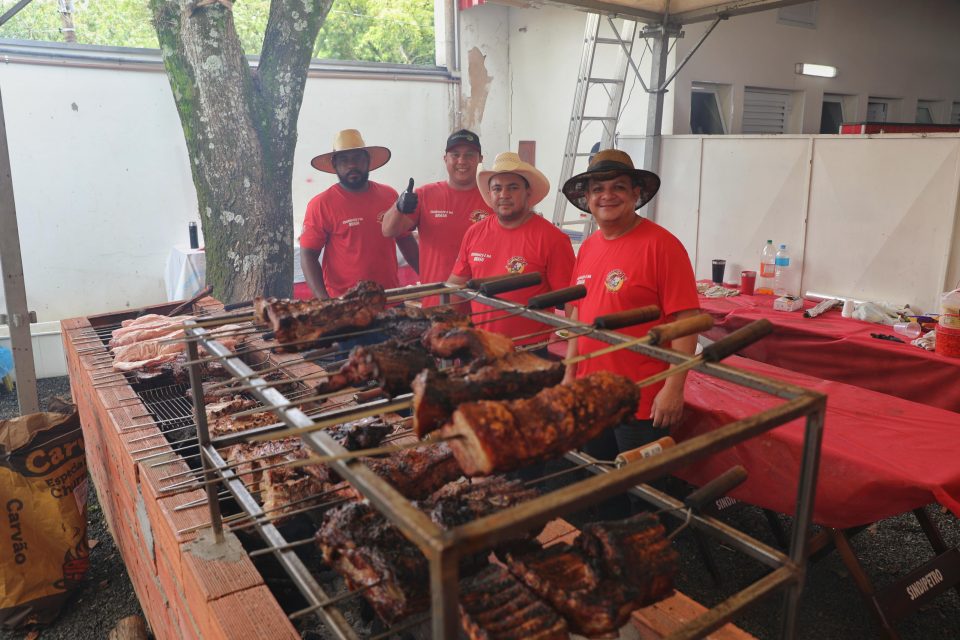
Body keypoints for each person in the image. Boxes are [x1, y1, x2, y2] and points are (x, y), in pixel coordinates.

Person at [561, 149, 700, 513]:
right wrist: (570, 373)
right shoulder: (588, 247)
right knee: (600, 486)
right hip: (594, 393)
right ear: (587, 199)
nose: (607, 196)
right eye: (598, 189)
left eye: (618, 187)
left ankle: (650, 562)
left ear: (636, 193)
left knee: (644, 497)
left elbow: (687, 322)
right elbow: (579, 316)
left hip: (642, 400)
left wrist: (674, 388)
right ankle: (610, 557)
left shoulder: (662, 245)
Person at [447, 152, 575, 344]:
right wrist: (454, 330)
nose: (504, 195)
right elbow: (456, 288)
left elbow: (572, 303)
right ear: (490, 194)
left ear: (528, 192)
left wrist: (575, 350)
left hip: (530, 350)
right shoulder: (475, 232)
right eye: (497, 188)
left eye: (512, 188)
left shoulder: (553, 239)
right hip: (483, 347)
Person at [299, 129, 419, 300]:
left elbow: (405, 240)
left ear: (368, 161)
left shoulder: (389, 196)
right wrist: (325, 302)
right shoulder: (320, 205)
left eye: (357, 158)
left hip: (389, 298)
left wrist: (429, 276)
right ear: (335, 165)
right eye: (344, 160)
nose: (351, 165)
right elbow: (308, 256)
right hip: (345, 305)